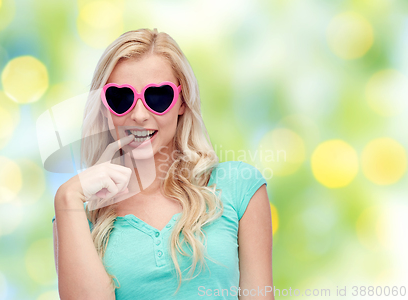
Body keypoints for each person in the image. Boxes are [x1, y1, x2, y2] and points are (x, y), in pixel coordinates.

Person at [52, 28, 274, 300]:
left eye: (158, 96)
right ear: (104, 106)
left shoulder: (239, 186)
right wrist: (66, 198)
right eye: (120, 98)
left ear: (182, 101)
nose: (139, 115)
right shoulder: (79, 216)